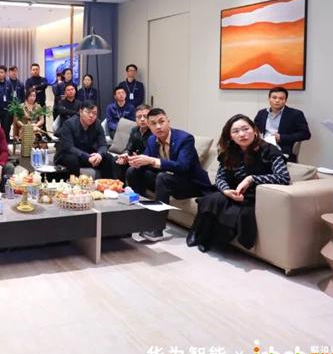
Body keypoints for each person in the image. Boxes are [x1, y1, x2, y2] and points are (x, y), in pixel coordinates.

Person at [189, 115, 290, 252]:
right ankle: (198, 232)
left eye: (245, 129)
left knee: (235, 212)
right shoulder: (229, 152)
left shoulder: (269, 150)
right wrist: (226, 190)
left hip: (254, 197)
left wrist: (251, 179)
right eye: (235, 131)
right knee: (212, 199)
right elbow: (220, 178)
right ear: (230, 136)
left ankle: (211, 239)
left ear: (254, 130)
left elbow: (283, 177)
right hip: (234, 192)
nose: (242, 134)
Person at [126, 108, 214, 242]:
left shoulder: (185, 139)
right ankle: (139, 214)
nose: (158, 126)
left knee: (163, 178)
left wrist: (152, 161)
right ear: (149, 126)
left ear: (168, 121)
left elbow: (183, 167)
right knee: (132, 171)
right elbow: (146, 160)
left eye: (161, 122)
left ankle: (157, 229)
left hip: (191, 183)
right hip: (168, 180)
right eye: (153, 123)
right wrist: (134, 161)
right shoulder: (152, 140)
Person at [54, 101, 114, 178]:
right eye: (88, 112)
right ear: (81, 112)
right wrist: (87, 157)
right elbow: (69, 147)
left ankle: (105, 184)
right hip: (69, 155)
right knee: (73, 159)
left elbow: (103, 145)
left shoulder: (97, 124)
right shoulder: (69, 124)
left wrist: (99, 154)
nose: (91, 115)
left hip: (89, 156)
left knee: (108, 158)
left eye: (94, 113)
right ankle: (76, 184)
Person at [253, 87, 311, 162]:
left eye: (281, 98)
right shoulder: (262, 113)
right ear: (269, 99)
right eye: (274, 97)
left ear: (285, 100)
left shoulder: (295, 114)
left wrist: (281, 137)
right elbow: (254, 128)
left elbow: (306, 134)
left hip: (281, 149)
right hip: (262, 147)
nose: (277, 100)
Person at [115, 104, 152, 180]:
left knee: (132, 170)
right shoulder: (134, 130)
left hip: (148, 163)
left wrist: (135, 158)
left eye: (145, 116)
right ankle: (121, 185)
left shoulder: (154, 132)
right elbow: (129, 148)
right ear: (135, 119)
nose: (142, 119)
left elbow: (152, 154)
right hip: (135, 159)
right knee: (117, 160)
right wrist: (125, 155)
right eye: (139, 117)